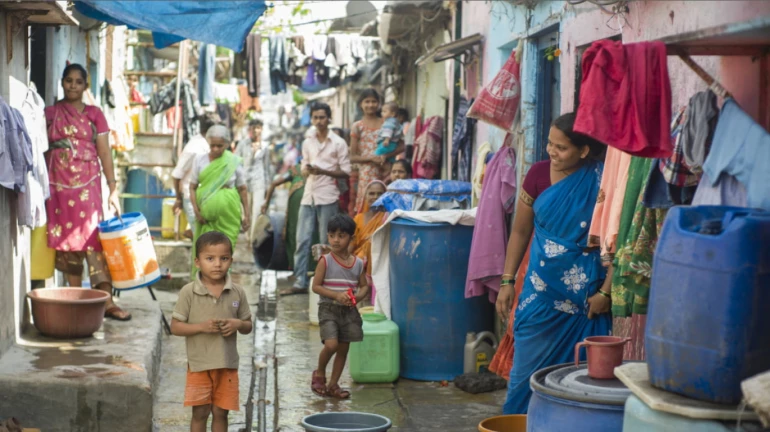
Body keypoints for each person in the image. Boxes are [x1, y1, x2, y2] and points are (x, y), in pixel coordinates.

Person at [495, 113, 611, 414]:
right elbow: (520, 232)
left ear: (583, 150)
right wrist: (507, 281)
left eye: (561, 147)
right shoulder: (537, 174)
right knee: (523, 380)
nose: (551, 151)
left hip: (587, 303)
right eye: (549, 143)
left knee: (577, 386)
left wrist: (606, 293)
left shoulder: (602, 180)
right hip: (540, 296)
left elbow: (616, 241)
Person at [44, 63, 130, 321]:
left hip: (89, 185)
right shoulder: (51, 113)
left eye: (78, 82)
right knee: (68, 244)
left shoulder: (95, 114)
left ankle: (107, 302)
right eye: (68, 80)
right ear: (62, 82)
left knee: (93, 239)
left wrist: (113, 190)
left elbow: (105, 152)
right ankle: (75, 302)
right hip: (58, 185)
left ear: (85, 86)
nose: (73, 85)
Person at [170, 231, 253, 432]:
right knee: (200, 412)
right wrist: (201, 327)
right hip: (199, 365)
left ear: (231, 260)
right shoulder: (189, 291)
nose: (217, 264)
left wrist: (237, 324)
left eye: (223, 258)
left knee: (221, 412)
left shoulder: (237, 292)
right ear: (197, 262)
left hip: (227, 364)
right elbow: (175, 327)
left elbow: (248, 325)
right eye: (210, 258)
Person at [281, 103, 351, 296]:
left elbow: (346, 172)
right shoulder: (307, 142)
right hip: (309, 194)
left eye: (322, 117)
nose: (319, 121)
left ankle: (326, 283)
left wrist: (323, 171)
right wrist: (307, 170)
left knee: (325, 242)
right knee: (301, 240)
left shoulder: (338, 142)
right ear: (312, 119)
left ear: (329, 118)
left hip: (328, 195)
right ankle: (300, 282)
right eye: (315, 118)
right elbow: (303, 165)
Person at [311, 214, 369, 399]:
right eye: (332, 235)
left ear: (351, 238)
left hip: (349, 311)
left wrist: (358, 297)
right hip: (329, 309)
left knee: (343, 349)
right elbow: (316, 286)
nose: (335, 240)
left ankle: (334, 384)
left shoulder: (358, 263)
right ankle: (320, 372)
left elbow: (364, 285)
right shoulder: (325, 261)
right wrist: (336, 295)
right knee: (331, 344)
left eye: (341, 236)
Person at [189, 125, 251, 278]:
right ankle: (203, 285)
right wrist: (196, 211)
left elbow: (242, 189)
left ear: (227, 144)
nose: (215, 149)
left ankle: (221, 283)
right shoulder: (199, 160)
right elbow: (192, 187)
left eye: (220, 145)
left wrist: (247, 215)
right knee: (205, 249)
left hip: (229, 216)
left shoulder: (233, 162)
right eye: (212, 145)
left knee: (225, 249)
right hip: (205, 219)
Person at [349, 89, 404, 215]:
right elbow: (352, 157)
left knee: (386, 208)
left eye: (374, 101)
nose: (370, 105)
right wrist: (371, 159)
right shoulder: (357, 126)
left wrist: (386, 156)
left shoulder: (388, 122)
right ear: (360, 104)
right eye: (367, 101)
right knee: (367, 209)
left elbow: (402, 147)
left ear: (379, 104)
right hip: (367, 174)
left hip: (388, 171)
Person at [172, 113, 221, 239]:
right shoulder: (194, 148)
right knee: (204, 240)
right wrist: (178, 200)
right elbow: (177, 175)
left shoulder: (209, 146)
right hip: (192, 199)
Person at [234, 118, 271, 247]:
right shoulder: (243, 144)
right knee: (246, 210)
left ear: (261, 129)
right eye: (253, 128)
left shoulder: (265, 147)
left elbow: (266, 168)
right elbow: (236, 162)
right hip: (243, 181)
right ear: (249, 130)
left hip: (259, 181)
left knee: (257, 210)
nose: (256, 131)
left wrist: (268, 186)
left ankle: (253, 239)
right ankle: (247, 236)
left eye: (258, 128)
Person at [351, 180, 387, 279]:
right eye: (371, 193)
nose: (375, 197)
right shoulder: (358, 218)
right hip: (358, 261)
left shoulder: (387, 218)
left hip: (380, 262)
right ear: (365, 196)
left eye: (380, 194)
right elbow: (350, 245)